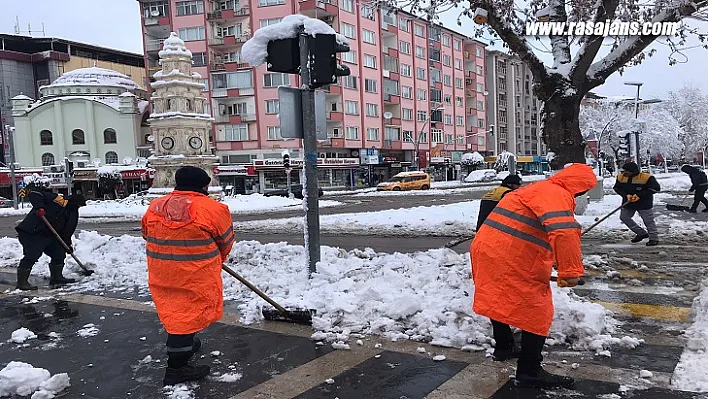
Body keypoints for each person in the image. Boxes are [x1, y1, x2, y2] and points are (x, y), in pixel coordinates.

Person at [471, 163, 597, 389]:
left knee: (496, 296)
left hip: (487, 250)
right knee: (538, 311)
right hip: (510, 257)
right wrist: (571, 272)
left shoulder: (536, 188)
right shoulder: (557, 194)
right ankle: (529, 371)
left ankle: (504, 347)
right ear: (579, 187)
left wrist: (555, 260)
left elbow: (535, 230)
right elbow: (565, 233)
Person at [141, 166, 235, 386]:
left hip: (162, 272)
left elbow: (146, 233)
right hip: (196, 274)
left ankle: (186, 344)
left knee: (176, 312)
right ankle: (177, 369)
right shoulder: (214, 209)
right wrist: (214, 258)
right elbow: (226, 241)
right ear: (204, 185)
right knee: (184, 318)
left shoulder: (156, 205)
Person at [15, 178, 87, 290]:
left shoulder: (73, 213)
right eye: (76, 205)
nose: (77, 208)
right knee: (32, 255)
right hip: (33, 233)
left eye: (79, 207)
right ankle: (22, 282)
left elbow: (67, 232)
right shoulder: (57, 199)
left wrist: (67, 245)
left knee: (59, 253)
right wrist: (40, 207)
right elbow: (35, 193)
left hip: (50, 236)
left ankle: (57, 277)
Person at [614, 162, 661, 246]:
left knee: (648, 221)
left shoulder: (646, 178)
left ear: (633, 171)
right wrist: (625, 195)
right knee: (624, 217)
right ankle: (641, 233)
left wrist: (639, 195)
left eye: (627, 171)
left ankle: (654, 238)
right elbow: (617, 188)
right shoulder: (621, 177)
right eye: (624, 171)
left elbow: (656, 189)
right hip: (628, 202)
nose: (625, 173)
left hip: (644, 203)